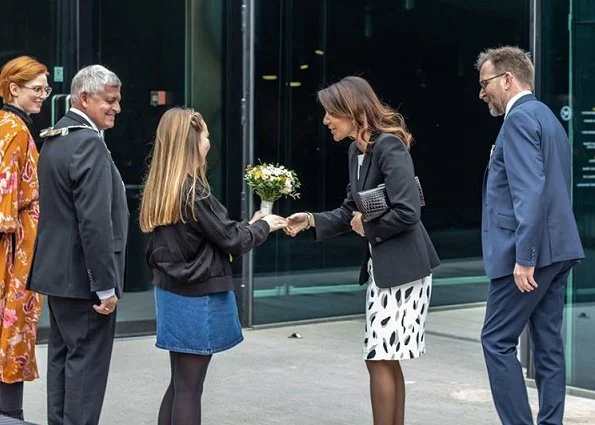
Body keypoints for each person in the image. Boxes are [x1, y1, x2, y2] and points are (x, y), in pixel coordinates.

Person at [286, 76, 440, 425]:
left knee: (379, 355)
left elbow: (407, 211)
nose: (325, 121)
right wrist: (310, 219)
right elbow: (347, 210)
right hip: (385, 268)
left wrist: (367, 228)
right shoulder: (357, 151)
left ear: (352, 111)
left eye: (330, 113)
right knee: (385, 356)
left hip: (403, 270)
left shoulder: (389, 146)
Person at [139, 107, 287, 425]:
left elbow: (213, 236)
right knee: (191, 388)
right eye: (206, 135)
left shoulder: (163, 188)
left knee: (179, 384)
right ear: (192, 140)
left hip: (170, 293)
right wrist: (265, 226)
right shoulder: (194, 190)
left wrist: (248, 225)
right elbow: (232, 240)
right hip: (197, 296)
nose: (209, 142)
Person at [476, 46, 584, 425]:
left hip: (529, 256)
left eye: (485, 83)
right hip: (561, 249)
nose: (482, 92)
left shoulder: (519, 120)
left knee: (496, 340)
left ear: (507, 79)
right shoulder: (548, 118)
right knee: (548, 345)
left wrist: (526, 257)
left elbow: (529, 192)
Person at [27, 64, 129, 425]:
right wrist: (104, 286)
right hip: (85, 281)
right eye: (110, 101)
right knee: (85, 369)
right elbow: (95, 223)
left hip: (58, 276)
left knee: (63, 359)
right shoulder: (87, 143)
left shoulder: (55, 138)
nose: (116, 108)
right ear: (84, 98)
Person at [0, 56, 48, 420]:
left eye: (46, 89)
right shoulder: (15, 129)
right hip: (14, 250)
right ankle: (10, 414)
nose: (44, 95)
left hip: (14, 242)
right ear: (13, 88)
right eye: (37, 89)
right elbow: (7, 203)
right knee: (13, 327)